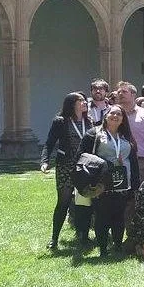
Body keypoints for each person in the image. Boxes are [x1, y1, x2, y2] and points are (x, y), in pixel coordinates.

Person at [77, 105, 141, 257]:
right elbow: (82, 156)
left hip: (122, 182)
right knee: (102, 216)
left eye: (119, 114)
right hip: (101, 183)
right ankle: (103, 249)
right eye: (112, 113)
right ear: (106, 116)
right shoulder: (94, 134)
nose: (115, 116)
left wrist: (135, 185)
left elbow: (133, 161)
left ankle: (118, 246)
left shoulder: (126, 136)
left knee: (119, 216)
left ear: (123, 119)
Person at [41, 92, 92, 249]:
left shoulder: (88, 122)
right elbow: (49, 143)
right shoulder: (60, 122)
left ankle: (83, 236)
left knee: (84, 202)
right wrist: (44, 161)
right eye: (80, 101)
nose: (84, 103)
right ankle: (54, 238)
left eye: (84, 100)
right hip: (66, 166)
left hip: (85, 167)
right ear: (72, 104)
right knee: (63, 203)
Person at [117, 82, 144, 179]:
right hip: (118, 161)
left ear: (133, 94)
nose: (120, 94)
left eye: (124, 91)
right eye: (118, 92)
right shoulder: (113, 115)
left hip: (141, 161)